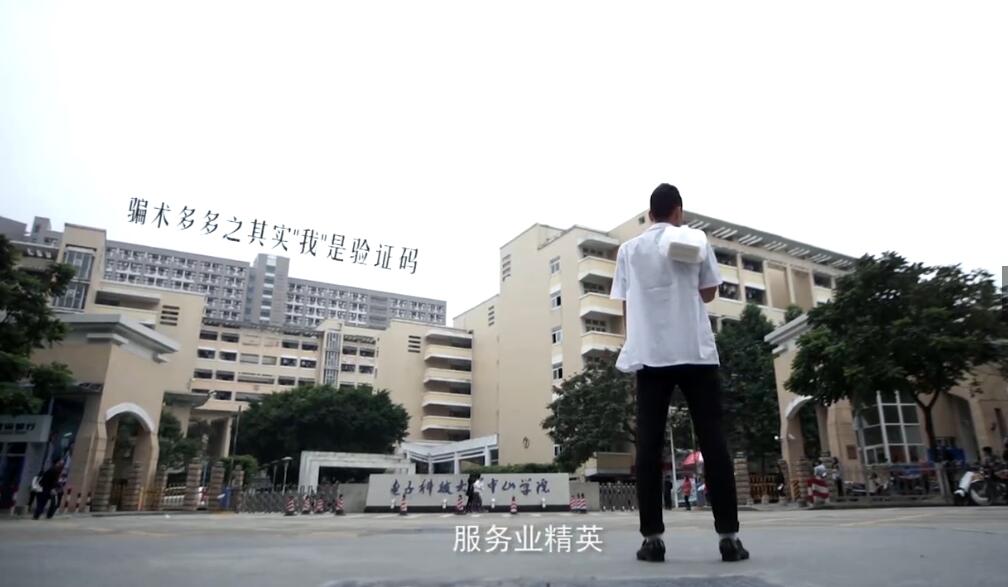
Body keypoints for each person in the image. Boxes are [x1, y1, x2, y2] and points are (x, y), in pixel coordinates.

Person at [611, 184, 747, 563]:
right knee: (714, 442)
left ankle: (652, 540)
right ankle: (729, 538)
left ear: (650, 213)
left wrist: (634, 349)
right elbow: (709, 293)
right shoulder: (695, 239)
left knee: (649, 447)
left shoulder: (629, 251)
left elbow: (625, 305)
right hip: (695, 353)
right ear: (678, 211)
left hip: (651, 356)